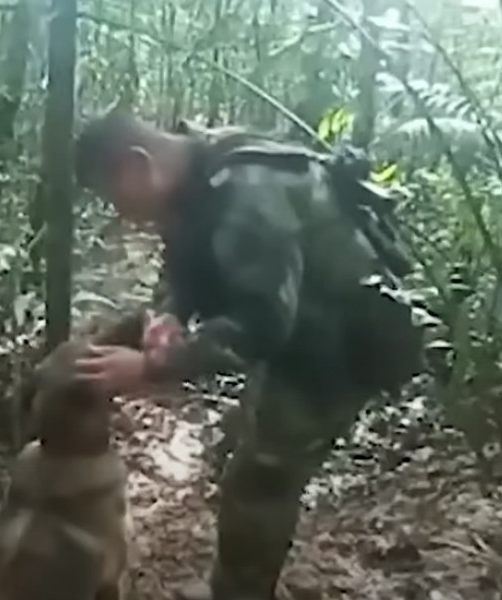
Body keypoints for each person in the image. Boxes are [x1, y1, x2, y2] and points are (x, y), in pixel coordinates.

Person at [72, 108, 424, 600]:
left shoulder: (247, 195)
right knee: (242, 445)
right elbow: (187, 263)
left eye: (114, 197)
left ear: (136, 166)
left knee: (258, 484)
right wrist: (169, 316)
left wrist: (153, 366)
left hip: (336, 348)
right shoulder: (196, 170)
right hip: (299, 331)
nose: (121, 213)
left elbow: (262, 326)